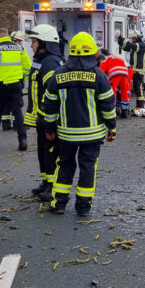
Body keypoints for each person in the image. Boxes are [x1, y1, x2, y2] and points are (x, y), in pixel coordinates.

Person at [40, 32, 117, 216]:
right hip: (92, 135)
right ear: (92, 53)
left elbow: (50, 106)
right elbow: (108, 105)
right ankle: (83, 208)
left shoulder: (58, 74)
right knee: (88, 168)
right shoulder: (99, 76)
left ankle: (59, 204)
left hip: (66, 134)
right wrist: (112, 127)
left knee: (64, 166)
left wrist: (49, 129)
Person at [23, 24, 64, 201]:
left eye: (34, 41)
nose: (31, 45)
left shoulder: (50, 63)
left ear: (43, 43)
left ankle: (52, 186)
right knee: (43, 152)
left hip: (49, 118)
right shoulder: (41, 60)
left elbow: (52, 94)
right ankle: (46, 182)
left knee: (50, 153)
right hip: (41, 116)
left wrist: (50, 122)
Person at [0, 28, 30, 150]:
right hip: (16, 85)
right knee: (18, 113)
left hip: (1, 87)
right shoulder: (19, 48)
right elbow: (27, 67)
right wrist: (23, 80)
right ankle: (23, 140)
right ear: (8, 36)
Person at [117, 29, 145, 110]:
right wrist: (119, 40)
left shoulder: (141, 45)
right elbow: (125, 47)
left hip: (139, 70)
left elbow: (130, 45)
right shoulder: (134, 46)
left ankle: (140, 106)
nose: (132, 40)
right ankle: (138, 106)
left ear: (137, 38)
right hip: (133, 70)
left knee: (138, 89)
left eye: (133, 38)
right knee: (133, 87)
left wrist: (121, 37)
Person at [99, 48, 132, 118]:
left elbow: (100, 72)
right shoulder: (116, 56)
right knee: (124, 92)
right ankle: (124, 111)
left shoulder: (105, 59)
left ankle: (113, 110)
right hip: (125, 73)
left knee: (112, 91)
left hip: (115, 74)